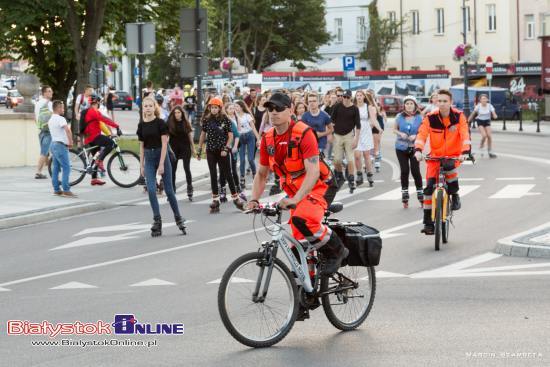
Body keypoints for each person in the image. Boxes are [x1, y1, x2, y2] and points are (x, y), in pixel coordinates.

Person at [247, 92, 347, 277]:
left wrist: (296, 199)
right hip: (295, 191)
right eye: (270, 109)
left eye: (278, 108)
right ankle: (307, 290)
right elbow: (261, 174)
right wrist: (254, 199)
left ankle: (337, 250)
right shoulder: (268, 139)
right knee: (299, 243)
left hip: (321, 185)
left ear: (290, 110)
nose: (273, 112)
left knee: (303, 219)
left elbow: (313, 172)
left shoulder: (303, 133)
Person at [415, 89, 471, 235]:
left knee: (449, 167)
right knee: (428, 191)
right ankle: (428, 224)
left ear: (451, 102)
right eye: (439, 101)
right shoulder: (430, 117)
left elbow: (465, 134)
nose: (442, 103)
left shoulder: (459, 116)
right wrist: (418, 150)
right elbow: (422, 134)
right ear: (435, 101)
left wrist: (465, 152)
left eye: (445, 101)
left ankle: (454, 193)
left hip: (453, 155)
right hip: (435, 157)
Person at [137, 97, 187, 237]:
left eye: (150, 106)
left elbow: (164, 143)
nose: (147, 108)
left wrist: (161, 164)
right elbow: (141, 146)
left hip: (161, 156)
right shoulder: (141, 125)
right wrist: (141, 165)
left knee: (169, 191)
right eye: (145, 106)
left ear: (154, 107)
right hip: (148, 157)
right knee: (151, 190)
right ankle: (157, 220)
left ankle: (178, 217)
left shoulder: (160, 123)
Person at [197, 97, 245, 213]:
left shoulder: (225, 120)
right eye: (211, 107)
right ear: (209, 108)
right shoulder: (207, 120)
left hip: (223, 151)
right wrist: (199, 149)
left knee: (228, 174)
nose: (213, 110)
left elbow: (230, 136)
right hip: (210, 150)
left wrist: (226, 148)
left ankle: (236, 198)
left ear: (219, 108)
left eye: (215, 108)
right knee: (213, 175)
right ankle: (215, 199)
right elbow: (203, 135)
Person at [82, 94, 120, 185]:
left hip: (91, 137)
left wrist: (109, 133)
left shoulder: (92, 111)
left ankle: (94, 179)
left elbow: (101, 123)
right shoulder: (93, 111)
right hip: (94, 137)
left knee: (96, 155)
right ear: (97, 102)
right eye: (100, 102)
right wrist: (117, 126)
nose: (100, 103)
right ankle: (100, 161)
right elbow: (104, 119)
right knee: (111, 144)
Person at [394, 96, 423, 207]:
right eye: (407, 103)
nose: (409, 105)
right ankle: (405, 196)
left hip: (415, 148)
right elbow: (394, 129)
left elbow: (424, 131)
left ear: (415, 105)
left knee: (415, 171)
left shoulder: (420, 118)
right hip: (401, 147)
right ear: (404, 105)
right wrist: (400, 133)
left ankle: (420, 195)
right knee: (404, 171)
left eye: (411, 103)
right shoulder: (399, 116)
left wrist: (416, 135)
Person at [330, 89, 361, 193]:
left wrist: (356, 139)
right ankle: (339, 174)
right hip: (337, 135)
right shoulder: (337, 106)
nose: (346, 99)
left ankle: (351, 180)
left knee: (350, 159)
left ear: (351, 98)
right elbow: (331, 121)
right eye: (344, 97)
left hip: (349, 135)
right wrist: (330, 134)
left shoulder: (355, 109)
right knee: (337, 160)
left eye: (348, 97)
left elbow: (358, 126)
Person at [48, 100, 76, 198]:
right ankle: (66, 190)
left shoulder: (51, 119)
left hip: (53, 145)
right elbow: (67, 130)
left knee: (56, 167)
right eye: (62, 107)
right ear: (58, 108)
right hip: (60, 145)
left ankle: (56, 189)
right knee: (66, 167)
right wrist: (71, 142)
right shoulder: (60, 119)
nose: (63, 109)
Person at [168, 105, 196, 201]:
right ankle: (172, 191)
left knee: (186, 168)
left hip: (185, 147)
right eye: (175, 113)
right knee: (173, 170)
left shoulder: (185, 122)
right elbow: (166, 137)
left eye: (178, 112)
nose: (177, 114)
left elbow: (189, 135)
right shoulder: (170, 123)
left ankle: (189, 187)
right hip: (174, 149)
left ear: (182, 113)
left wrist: (193, 148)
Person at [221, 102, 246, 202]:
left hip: (232, 148)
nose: (232, 110)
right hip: (223, 148)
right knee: (223, 170)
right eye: (230, 108)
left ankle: (238, 188)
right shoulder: (221, 120)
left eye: (233, 108)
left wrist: (235, 145)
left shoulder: (233, 120)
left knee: (233, 169)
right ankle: (222, 190)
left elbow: (237, 134)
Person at [355, 90, 380, 187]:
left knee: (366, 155)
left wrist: (379, 128)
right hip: (356, 130)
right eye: (357, 95)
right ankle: (359, 174)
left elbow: (373, 119)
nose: (359, 97)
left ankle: (369, 175)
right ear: (356, 97)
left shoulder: (368, 106)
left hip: (365, 130)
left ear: (364, 97)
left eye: (361, 95)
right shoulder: (353, 107)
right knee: (357, 156)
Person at [233, 100, 261, 188]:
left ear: (241, 107)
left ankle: (254, 173)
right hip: (240, 138)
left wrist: (258, 139)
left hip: (250, 136)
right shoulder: (234, 116)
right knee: (242, 160)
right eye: (234, 107)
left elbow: (253, 127)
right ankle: (242, 178)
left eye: (236, 106)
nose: (235, 108)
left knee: (250, 159)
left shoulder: (247, 116)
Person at [468, 94, 498, 158]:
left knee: (489, 136)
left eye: (485, 99)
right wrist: (468, 121)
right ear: (480, 100)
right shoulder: (478, 106)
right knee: (484, 136)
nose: (484, 100)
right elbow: (473, 114)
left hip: (487, 121)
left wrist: (495, 115)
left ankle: (490, 151)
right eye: (482, 99)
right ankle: (481, 147)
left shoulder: (490, 106)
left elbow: (493, 113)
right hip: (480, 121)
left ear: (487, 100)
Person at [34, 85, 53, 179]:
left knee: (47, 151)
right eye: (49, 91)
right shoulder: (48, 103)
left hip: (41, 129)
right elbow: (53, 117)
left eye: (51, 91)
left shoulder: (37, 103)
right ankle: (38, 172)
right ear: (44, 93)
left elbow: (35, 117)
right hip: (48, 131)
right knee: (44, 152)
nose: (51, 92)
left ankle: (51, 167)